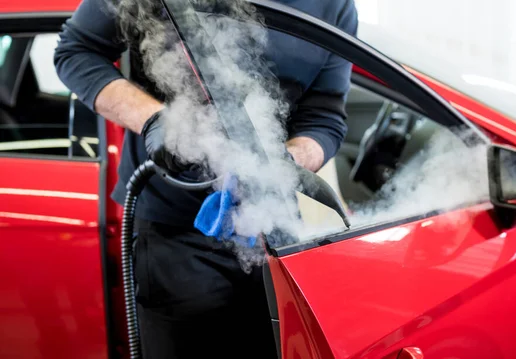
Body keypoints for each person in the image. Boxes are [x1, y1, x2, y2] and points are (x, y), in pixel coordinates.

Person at [54, 0, 358, 357]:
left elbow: (325, 119)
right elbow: (75, 53)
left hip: (273, 227)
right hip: (174, 229)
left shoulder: (335, 6)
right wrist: (156, 121)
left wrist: (280, 163)